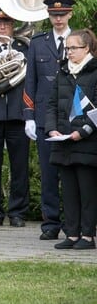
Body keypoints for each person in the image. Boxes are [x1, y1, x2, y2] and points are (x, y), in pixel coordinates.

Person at [23, 0, 75, 240]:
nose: (58, 18)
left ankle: (73, 224)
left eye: (62, 14)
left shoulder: (81, 41)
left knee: (75, 174)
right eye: (54, 14)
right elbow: (30, 81)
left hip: (74, 118)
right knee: (49, 173)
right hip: (44, 118)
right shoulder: (38, 43)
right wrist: (29, 116)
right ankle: (51, 224)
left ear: (70, 15)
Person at [46, 29, 97, 250]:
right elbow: (52, 105)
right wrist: (51, 130)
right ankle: (72, 233)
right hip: (64, 142)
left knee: (87, 191)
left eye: (73, 48)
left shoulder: (95, 71)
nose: (69, 52)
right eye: (67, 48)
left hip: (87, 142)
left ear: (86, 48)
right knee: (68, 191)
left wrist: (83, 132)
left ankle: (88, 235)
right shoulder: (63, 72)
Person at [0, 6, 29, 228]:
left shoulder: (24, 48)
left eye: (7, 23)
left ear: (13, 26)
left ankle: (18, 212)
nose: (2, 27)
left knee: (19, 166)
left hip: (19, 115)